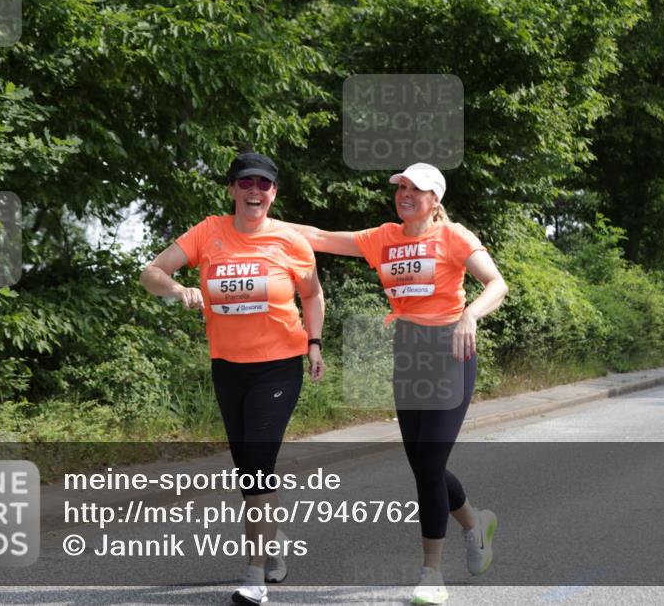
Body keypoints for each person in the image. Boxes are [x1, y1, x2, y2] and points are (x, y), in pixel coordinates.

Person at [286, 163, 508, 605]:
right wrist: (263, 219)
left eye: (416, 189)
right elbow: (320, 237)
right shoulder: (382, 237)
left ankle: (431, 574)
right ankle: (474, 523)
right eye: (401, 187)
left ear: (435, 200)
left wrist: (470, 315)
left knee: (428, 465)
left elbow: (496, 283)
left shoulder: (453, 236)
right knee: (424, 464)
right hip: (408, 356)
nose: (405, 193)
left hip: (450, 354)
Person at [140, 152, 325, 606]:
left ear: (274, 193)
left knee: (259, 465)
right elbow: (151, 273)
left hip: (279, 364)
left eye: (264, 185)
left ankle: (254, 576)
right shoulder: (209, 232)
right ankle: (273, 542)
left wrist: (314, 343)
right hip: (228, 367)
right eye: (246, 184)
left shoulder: (291, 241)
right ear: (232, 191)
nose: (254, 192)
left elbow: (313, 294)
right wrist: (179, 288)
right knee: (247, 471)